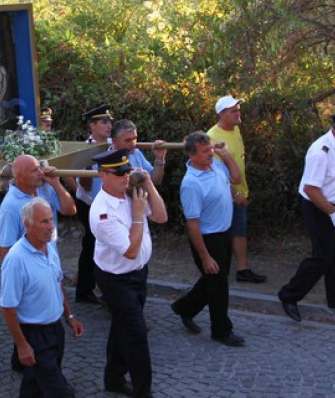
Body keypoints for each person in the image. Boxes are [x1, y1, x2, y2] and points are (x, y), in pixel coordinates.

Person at [278, 105, 335, 322]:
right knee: (322, 257)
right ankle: (288, 296)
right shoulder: (321, 151)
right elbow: (311, 189)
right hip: (319, 207)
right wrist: (333, 214)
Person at [90, 148, 167, 397]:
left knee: (122, 327)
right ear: (103, 175)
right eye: (119, 172)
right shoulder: (102, 212)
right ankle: (144, 391)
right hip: (117, 280)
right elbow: (130, 251)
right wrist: (136, 215)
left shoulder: (131, 192)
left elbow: (161, 216)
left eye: (127, 170)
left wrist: (148, 185)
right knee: (136, 335)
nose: (125, 176)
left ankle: (113, 378)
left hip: (138, 274)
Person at [0, 198, 84, 397]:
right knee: (59, 391)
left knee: (35, 384)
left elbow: (58, 283)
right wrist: (22, 345)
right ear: (27, 225)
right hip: (35, 335)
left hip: (56, 329)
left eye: (51, 220)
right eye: (44, 222)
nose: (50, 226)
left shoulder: (50, 247)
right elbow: (7, 307)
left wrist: (69, 317)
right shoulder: (15, 260)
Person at [171, 132, 245, 347]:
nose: (210, 153)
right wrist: (205, 256)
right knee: (218, 285)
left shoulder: (216, 165)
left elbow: (236, 179)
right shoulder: (191, 183)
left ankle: (184, 308)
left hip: (224, 233)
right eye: (205, 151)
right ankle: (221, 331)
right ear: (192, 155)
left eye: (210, 149)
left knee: (214, 280)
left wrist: (227, 156)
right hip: (207, 238)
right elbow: (192, 224)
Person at [207, 96, 266, 284]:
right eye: (233, 111)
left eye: (238, 109)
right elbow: (217, 173)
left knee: (239, 231)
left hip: (240, 190)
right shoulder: (213, 137)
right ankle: (218, 270)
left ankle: (241, 269)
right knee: (225, 232)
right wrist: (236, 194)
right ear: (221, 114)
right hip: (227, 194)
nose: (238, 113)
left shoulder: (236, 130)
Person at [0, 154, 76, 260]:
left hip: (51, 263)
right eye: (34, 171)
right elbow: (6, 249)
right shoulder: (10, 206)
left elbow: (70, 210)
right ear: (20, 178)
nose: (41, 173)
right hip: (30, 270)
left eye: (39, 168)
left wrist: (56, 184)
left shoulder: (44, 188)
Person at [74, 104, 114, 304]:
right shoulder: (85, 149)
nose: (109, 126)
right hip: (89, 204)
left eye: (109, 122)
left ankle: (101, 289)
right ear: (92, 125)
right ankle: (85, 289)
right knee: (92, 245)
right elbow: (85, 184)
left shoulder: (111, 145)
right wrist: (89, 163)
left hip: (107, 202)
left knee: (105, 245)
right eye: (104, 122)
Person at [111, 119, 167, 186]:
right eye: (127, 140)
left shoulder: (136, 153)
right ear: (114, 141)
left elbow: (155, 181)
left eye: (134, 139)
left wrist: (159, 158)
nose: (133, 144)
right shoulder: (106, 162)